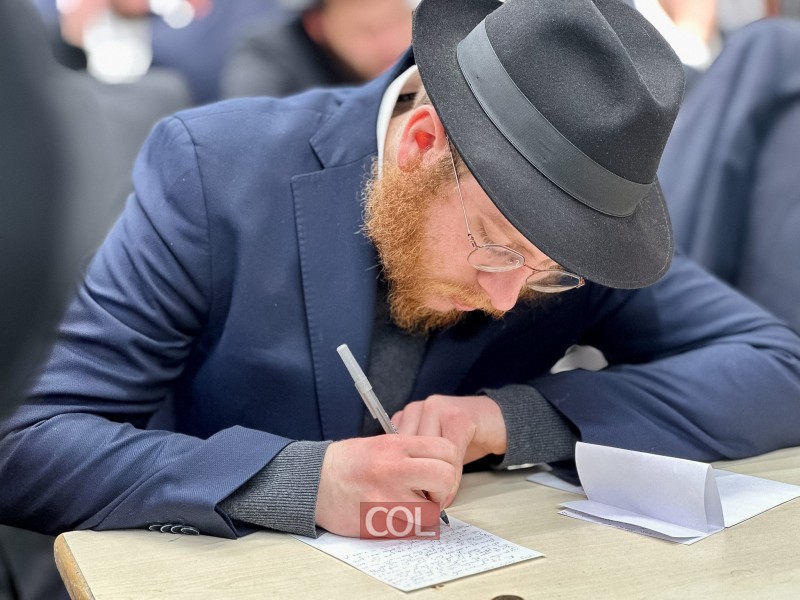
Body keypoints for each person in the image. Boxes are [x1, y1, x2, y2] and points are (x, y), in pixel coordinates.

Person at [2, 0, 799, 542]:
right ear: (421, 146)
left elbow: (779, 368)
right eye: (495, 247)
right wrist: (297, 479)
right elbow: (28, 442)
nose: (507, 297)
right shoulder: (214, 175)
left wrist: (515, 417)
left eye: (546, 274)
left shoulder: (556, 245)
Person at [221, 0, 413, 98]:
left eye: (397, 19)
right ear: (316, 25)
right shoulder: (267, 56)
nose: (390, 44)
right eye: (366, 30)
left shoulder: (425, 37)